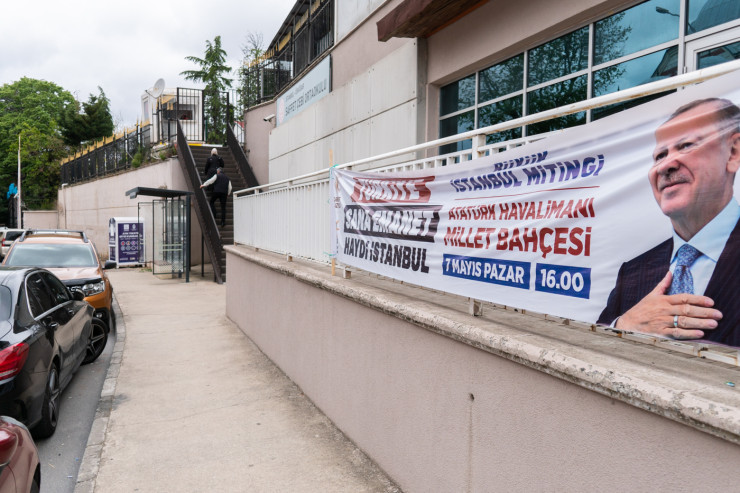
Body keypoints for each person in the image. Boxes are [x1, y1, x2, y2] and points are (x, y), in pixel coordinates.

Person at [598, 98, 740, 346]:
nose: (665, 165)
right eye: (660, 155)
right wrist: (622, 327)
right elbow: (594, 348)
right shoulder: (633, 271)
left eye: (686, 145)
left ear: (733, 153)